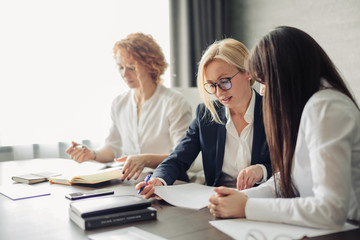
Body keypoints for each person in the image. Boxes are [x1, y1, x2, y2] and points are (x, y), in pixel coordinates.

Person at [208, 26, 360, 229]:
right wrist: (242, 197)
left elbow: (330, 211)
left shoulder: (326, 108)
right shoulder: (309, 106)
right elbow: (290, 178)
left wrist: (247, 207)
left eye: (264, 81)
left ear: (284, 77)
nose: (262, 90)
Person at [136, 38, 272, 199]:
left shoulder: (273, 111)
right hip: (216, 202)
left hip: (261, 201)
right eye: (212, 85)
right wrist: (158, 180)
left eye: (224, 81)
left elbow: (289, 167)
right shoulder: (206, 115)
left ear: (248, 72)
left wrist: (262, 170)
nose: (219, 92)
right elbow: (178, 158)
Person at [66, 33, 192, 181]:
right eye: (120, 67)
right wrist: (91, 154)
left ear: (150, 65)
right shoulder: (119, 103)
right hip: (132, 182)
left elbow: (184, 156)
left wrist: (144, 160)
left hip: (168, 181)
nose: (124, 74)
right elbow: (112, 148)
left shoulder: (174, 102)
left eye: (131, 68)